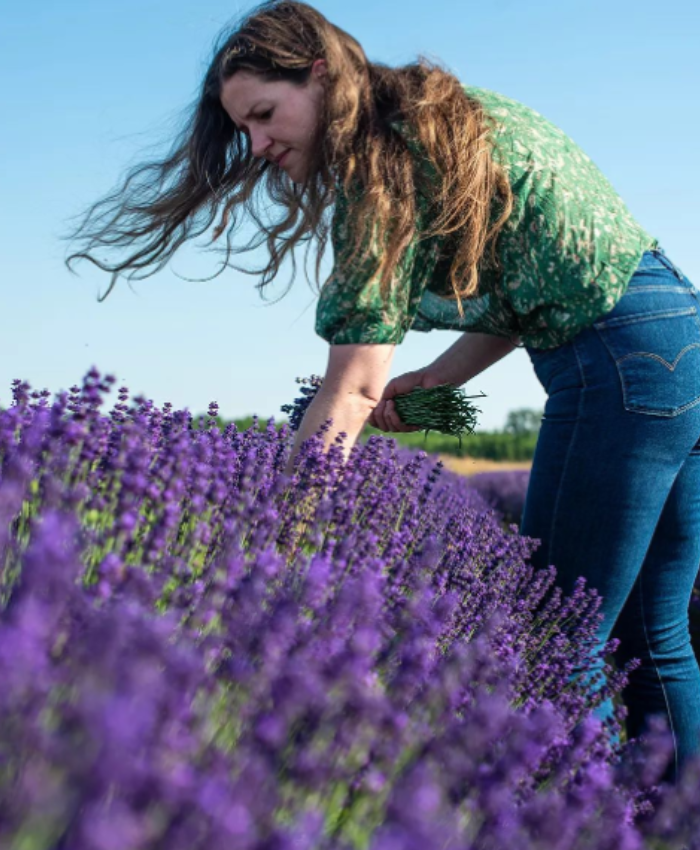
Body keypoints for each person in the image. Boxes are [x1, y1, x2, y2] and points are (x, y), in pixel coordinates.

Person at [67, 0, 700, 781]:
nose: (259, 145)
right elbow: (537, 280)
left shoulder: (383, 166)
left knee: (555, 635)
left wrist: (277, 539)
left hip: (619, 369)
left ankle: (593, 823)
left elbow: (350, 390)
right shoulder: (451, 119)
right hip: (678, 339)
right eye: (245, 131)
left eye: (266, 115)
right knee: (648, 632)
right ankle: (677, 816)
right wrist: (436, 383)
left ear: (321, 74)